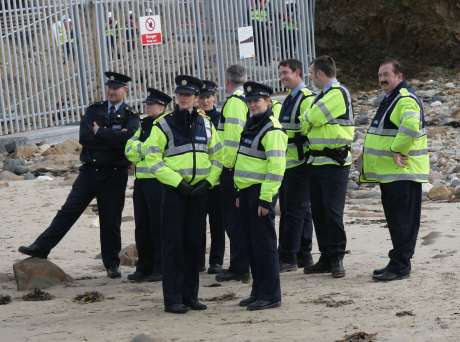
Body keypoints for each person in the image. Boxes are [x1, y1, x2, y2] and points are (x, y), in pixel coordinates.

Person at [18, 72, 139, 279]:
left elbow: (126, 142)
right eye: (109, 87)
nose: (111, 91)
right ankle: (41, 247)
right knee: (68, 212)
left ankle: (112, 264)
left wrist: (101, 133)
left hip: (115, 174)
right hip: (90, 171)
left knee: (110, 221)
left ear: (125, 91)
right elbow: (85, 138)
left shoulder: (131, 116)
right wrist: (111, 138)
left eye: (116, 88)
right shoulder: (95, 110)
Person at [143, 75, 224, 314]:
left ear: (196, 99)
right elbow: (152, 159)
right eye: (181, 95)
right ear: (176, 97)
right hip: (174, 193)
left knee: (194, 246)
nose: (184, 99)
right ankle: (173, 298)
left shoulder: (206, 124)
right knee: (173, 246)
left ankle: (191, 296)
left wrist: (209, 182)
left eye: (189, 95)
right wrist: (177, 183)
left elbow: (218, 157)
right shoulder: (163, 124)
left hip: (199, 192)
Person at [360, 59, 429, 281]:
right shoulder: (392, 98)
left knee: (403, 221)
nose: (382, 79)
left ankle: (400, 266)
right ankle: (397, 260)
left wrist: (397, 149)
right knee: (397, 221)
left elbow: (410, 127)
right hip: (392, 173)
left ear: (399, 75)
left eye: (386, 74)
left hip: (403, 172)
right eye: (379, 74)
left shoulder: (405, 99)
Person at [300, 56, 354, 278]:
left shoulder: (337, 93)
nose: (311, 77)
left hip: (334, 162)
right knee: (320, 212)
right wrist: (309, 119)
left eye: (312, 73)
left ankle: (337, 258)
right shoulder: (321, 96)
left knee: (332, 212)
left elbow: (311, 117)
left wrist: (310, 118)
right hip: (317, 161)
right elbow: (306, 125)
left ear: (320, 74)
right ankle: (326, 255)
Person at [235, 81, 287, 310]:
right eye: (250, 101)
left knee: (265, 247)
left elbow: (276, 168)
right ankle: (258, 291)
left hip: (260, 194)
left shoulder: (272, 129)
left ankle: (271, 295)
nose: (253, 104)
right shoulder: (252, 123)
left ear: (268, 101)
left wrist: (266, 199)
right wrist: (239, 192)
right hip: (247, 192)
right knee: (252, 246)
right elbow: (244, 159)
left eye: (257, 100)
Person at [124, 87, 172, 282]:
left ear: (162, 106)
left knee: (158, 225)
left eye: (151, 104)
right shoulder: (144, 124)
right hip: (142, 181)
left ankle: (160, 267)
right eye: (147, 103)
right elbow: (130, 149)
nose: (147, 106)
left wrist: (142, 149)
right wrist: (143, 149)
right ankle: (144, 266)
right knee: (142, 226)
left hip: (159, 181)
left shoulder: (166, 124)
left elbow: (158, 149)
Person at [277, 59, 316, 272]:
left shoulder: (306, 98)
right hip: (289, 162)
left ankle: (288, 257)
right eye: (281, 74)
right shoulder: (290, 99)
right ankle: (303, 255)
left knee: (294, 211)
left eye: (285, 73)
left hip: (300, 162)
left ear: (298, 72)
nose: (282, 77)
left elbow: (305, 129)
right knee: (300, 210)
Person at [215, 65, 251, 283]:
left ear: (227, 83)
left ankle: (240, 266)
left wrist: (225, 167)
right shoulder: (247, 100)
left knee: (234, 220)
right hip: (241, 167)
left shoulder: (234, 103)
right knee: (237, 219)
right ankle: (240, 264)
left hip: (233, 169)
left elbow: (232, 139)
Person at [197, 80, 225, 275]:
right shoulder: (194, 118)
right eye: (201, 97)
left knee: (217, 223)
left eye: (208, 97)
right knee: (197, 224)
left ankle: (216, 260)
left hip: (216, 179)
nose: (205, 101)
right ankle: (198, 261)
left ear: (214, 97)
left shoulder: (220, 118)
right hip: (198, 178)